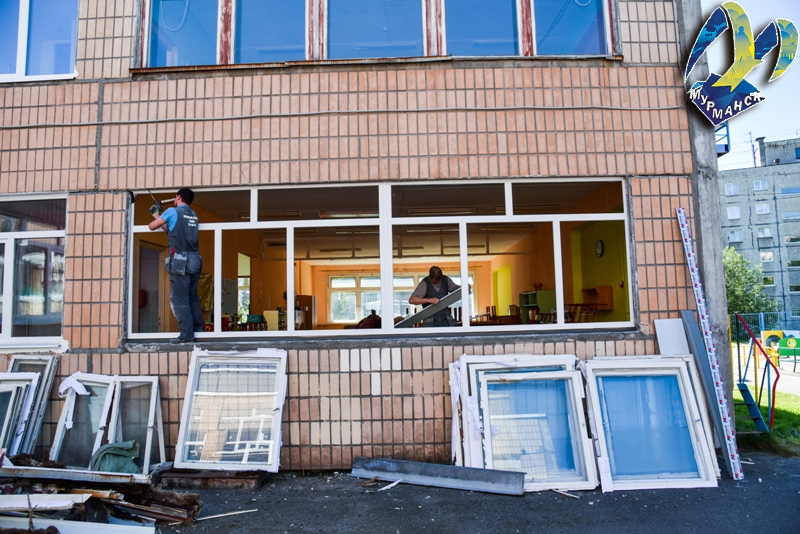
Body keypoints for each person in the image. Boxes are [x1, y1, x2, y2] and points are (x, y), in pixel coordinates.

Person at [149, 188, 203, 343]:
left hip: (181, 260)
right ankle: (199, 331)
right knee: (192, 297)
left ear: (178, 197)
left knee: (180, 299)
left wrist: (155, 216)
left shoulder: (172, 211)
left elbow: (152, 226)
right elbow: (170, 229)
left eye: (175, 197)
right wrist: (158, 215)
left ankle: (186, 335)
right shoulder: (193, 214)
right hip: (195, 259)